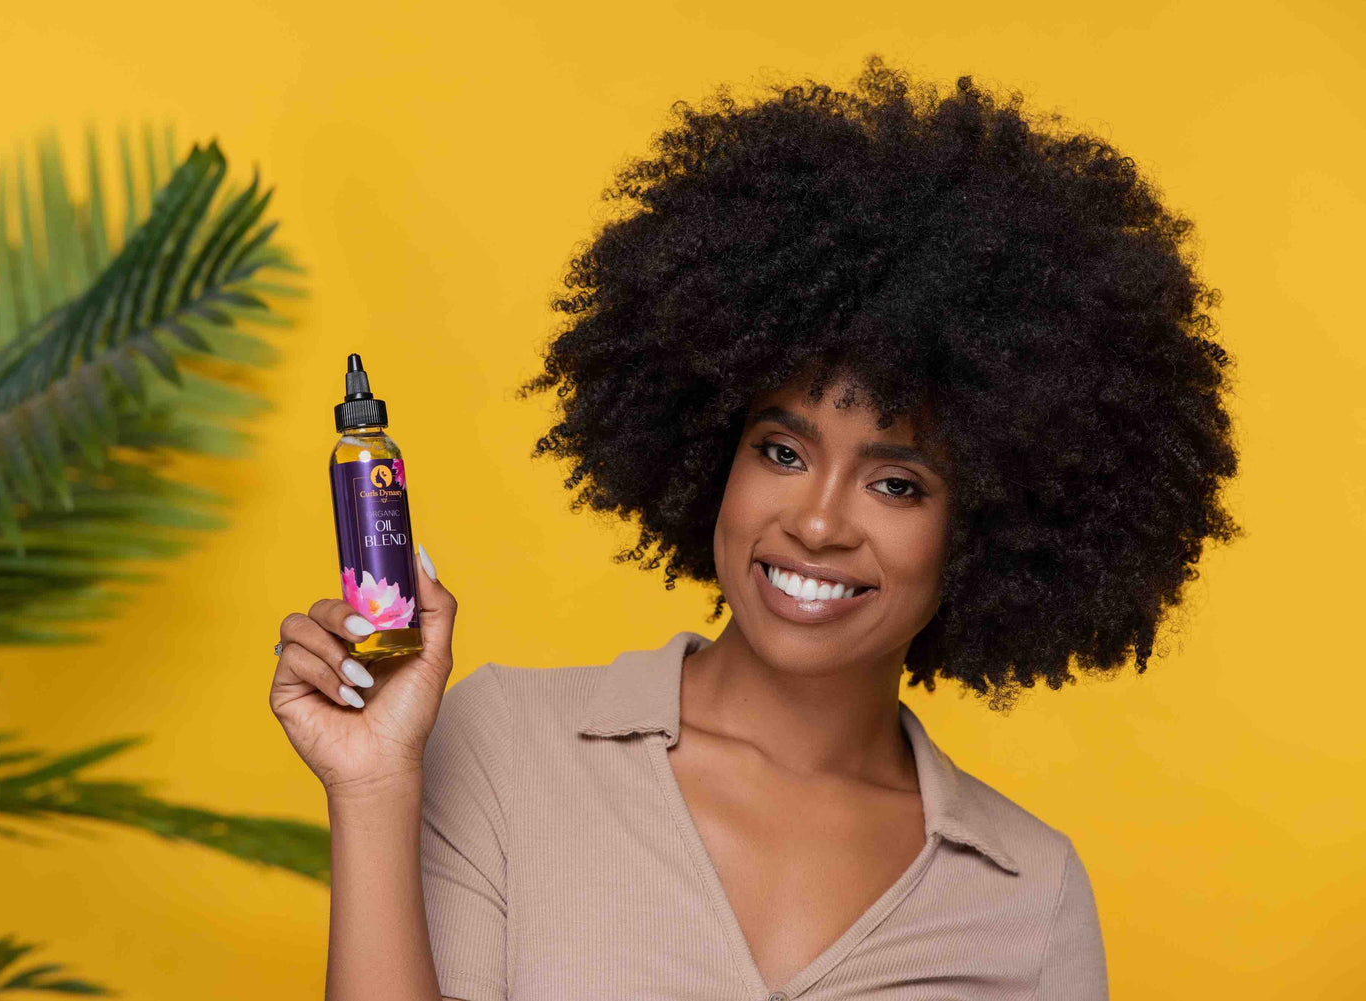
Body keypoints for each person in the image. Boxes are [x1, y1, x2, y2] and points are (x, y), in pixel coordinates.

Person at [270, 54, 1241, 1001]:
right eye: (783, 450)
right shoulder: (508, 745)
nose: (817, 520)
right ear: (712, 451)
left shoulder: (1028, 893)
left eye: (897, 482)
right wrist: (371, 786)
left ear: (997, 526)